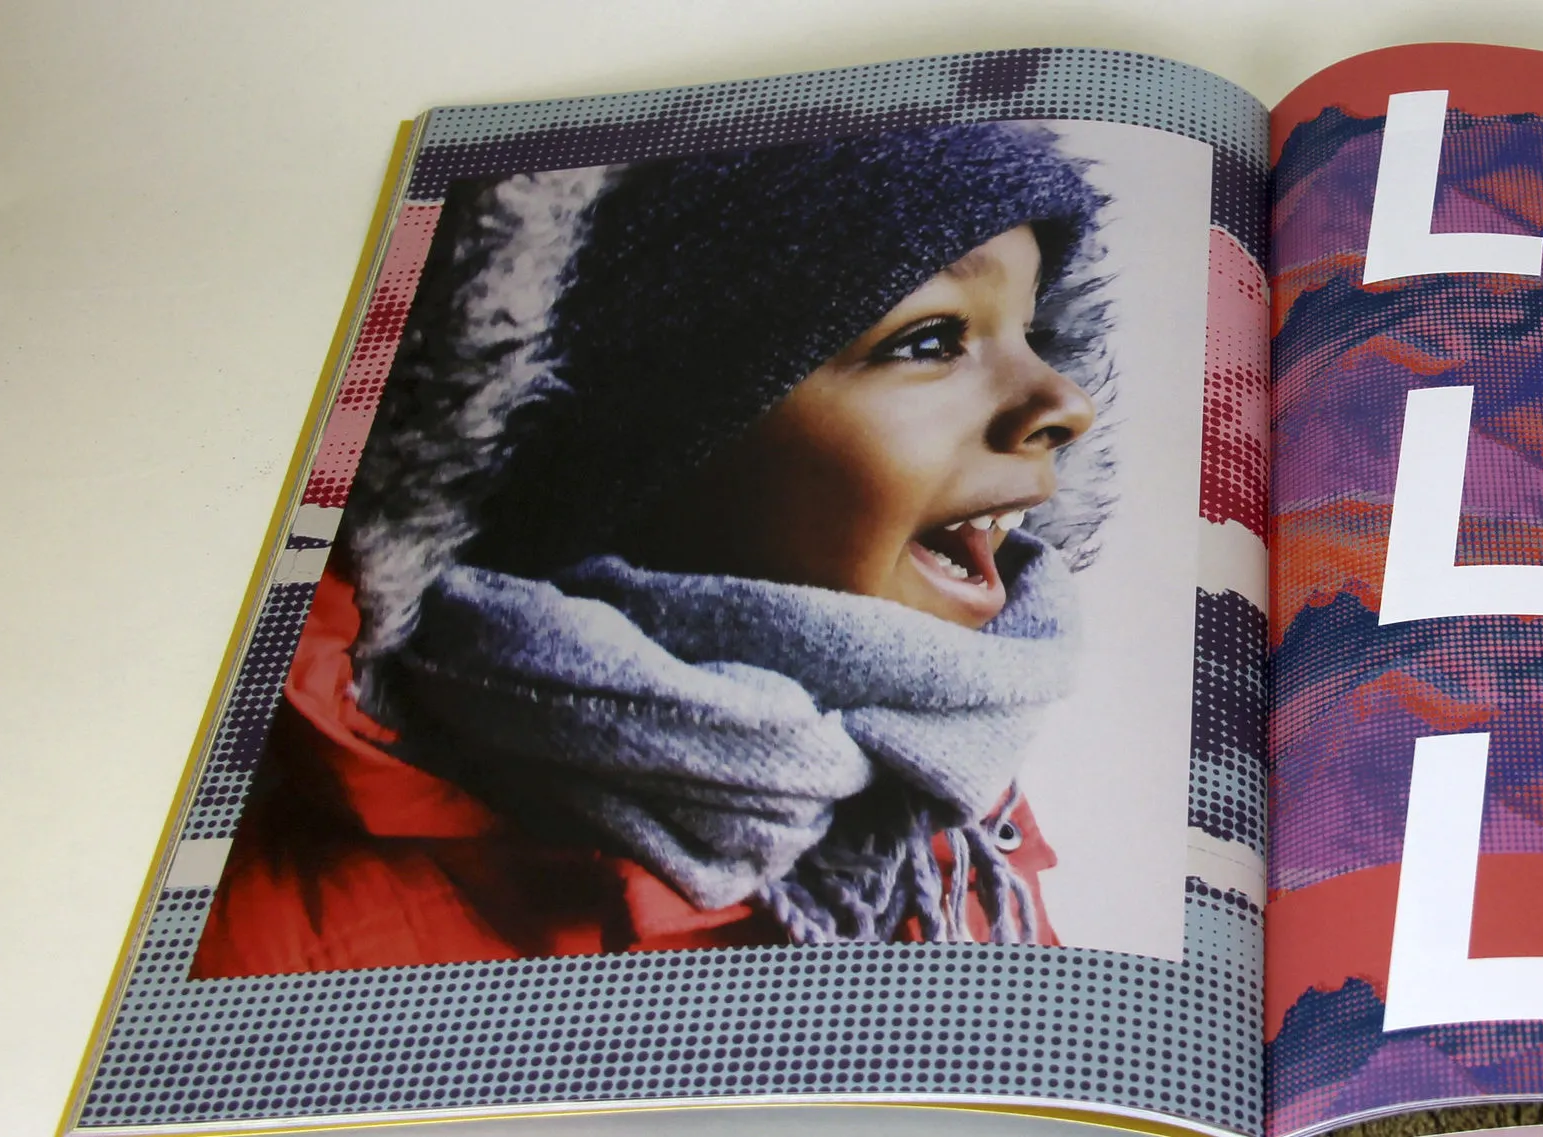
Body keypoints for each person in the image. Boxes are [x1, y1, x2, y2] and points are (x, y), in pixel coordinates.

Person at [190, 123, 1115, 977]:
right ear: (652, 447)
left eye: (1030, 331)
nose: (1066, 403)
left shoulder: (937, 804)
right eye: (928, 338)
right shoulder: (293, 933)